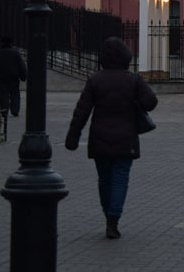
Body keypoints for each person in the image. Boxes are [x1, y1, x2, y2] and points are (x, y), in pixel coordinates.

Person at [65, 37, 158, 240]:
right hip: (126, 139)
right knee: (119, 180)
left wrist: (73, 136)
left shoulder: (95, 80)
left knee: (104, 179)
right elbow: (151, 102)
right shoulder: (133, 79)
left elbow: (82, 111)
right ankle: (113, 221)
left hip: (100, 138)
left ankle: (108, 214)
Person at [0, 36, 27, 116]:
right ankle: (15, 110)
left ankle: (4, 111)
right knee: (15, 94)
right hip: (14, 77)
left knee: (3, 95)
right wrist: (23, 76)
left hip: (2, 77)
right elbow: (22, 66)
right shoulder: (16, 53)